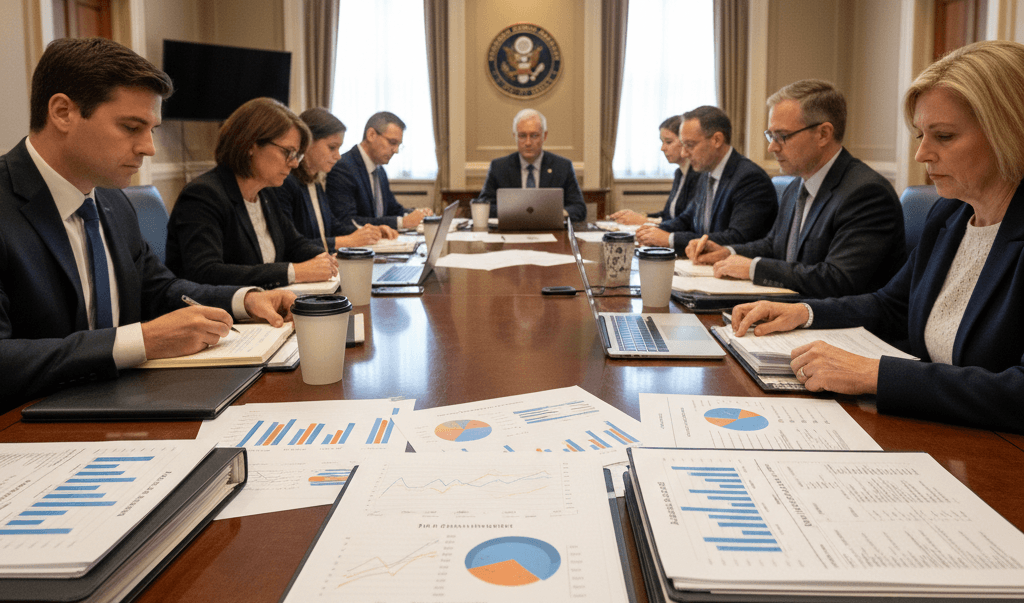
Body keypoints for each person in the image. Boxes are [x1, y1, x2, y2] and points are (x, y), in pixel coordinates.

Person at [730, 41, 1024, 434]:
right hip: (938, 430)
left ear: (1011, 131)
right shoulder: (950, 214)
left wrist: (876, 375)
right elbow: (891, 305)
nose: (921, 154)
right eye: (920, 135)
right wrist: (805, 313)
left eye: (944, 136)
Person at [0, 38, 295, 407]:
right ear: (63, 112)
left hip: (121, 404)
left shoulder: (111, 201)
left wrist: (246, 300)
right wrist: (141, 341)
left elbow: (160, 290)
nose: (149, 148)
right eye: (131, 127)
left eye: (151, 129)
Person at [689, 80, 905, 298]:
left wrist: (754, 268)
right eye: (770, 136)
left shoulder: (867, 193)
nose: (772, 147)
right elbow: (774, 245)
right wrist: (727, 252)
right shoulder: (796, 186)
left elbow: (837, 279)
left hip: (835, 316)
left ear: (823, 134)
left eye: (782, 136)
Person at [166, 98, 338, 289]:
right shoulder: (203, 195)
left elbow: (294, 244)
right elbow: (205, 272)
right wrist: (294, 272)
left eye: (297, 155)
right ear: (250, 145)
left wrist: (324, 259)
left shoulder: (266, 194)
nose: (294, 163)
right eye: (288, 152)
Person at [636, 106, 777, 254]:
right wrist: (650, 231)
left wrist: (671, 239)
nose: (684, 153)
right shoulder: (706, 173)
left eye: (690, 145)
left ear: (717, 140)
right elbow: (686, 219)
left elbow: (738, 238)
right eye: (683, 145)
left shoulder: (750, 179)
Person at [275, 107, 384, 251]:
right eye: (332, 147)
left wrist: (368, 232)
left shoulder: (315, 181)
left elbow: (332, 226)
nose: (338, 156)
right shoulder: (286, 183)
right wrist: (347, 241)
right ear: (308, 142)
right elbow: (292, 246)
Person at [325, 111, 432, 231]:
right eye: (392, 142)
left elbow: (393, 210)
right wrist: (401, 222)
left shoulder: (379, 170)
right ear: (371, 135)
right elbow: (348, 221)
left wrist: (417, 214)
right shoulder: (343, 167)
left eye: (398, 145)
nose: (396, 150)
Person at [477, 108, 587, 222]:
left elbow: (579, 208)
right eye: (522, 136)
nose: (528, 143)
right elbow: (483, 207)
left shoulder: (562, 167)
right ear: (515, 136)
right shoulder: (499, 167)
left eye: (534, 136)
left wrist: (554, 213)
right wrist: (517, 212)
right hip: (512, 229)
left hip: (550, 229)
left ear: (544, 136)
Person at [609, 115, 700, 225]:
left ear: (684, 141)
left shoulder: (698, 175)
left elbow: (686, 222)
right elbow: (667, 215)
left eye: (668, 142)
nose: (663, 148)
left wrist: (645, 220)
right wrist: (638, 216)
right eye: (662, 142)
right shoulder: (679, 173)